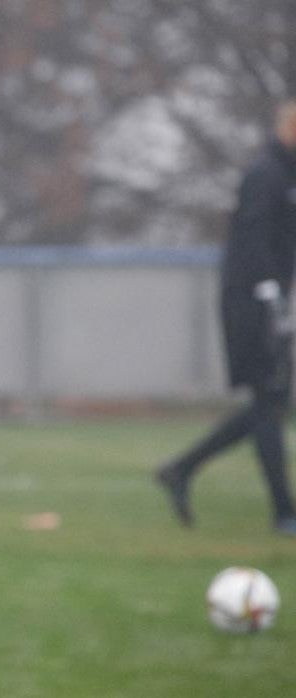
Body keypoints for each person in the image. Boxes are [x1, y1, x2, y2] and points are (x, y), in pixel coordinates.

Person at [156, 100, 296, 536]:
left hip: (269, 301)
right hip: (249, 302)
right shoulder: (265, 175)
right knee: (267, 403)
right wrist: (269, 296)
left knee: (268, 404)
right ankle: (283, 512)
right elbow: (254, 242)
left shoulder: (286, 176)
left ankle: (181, 469)